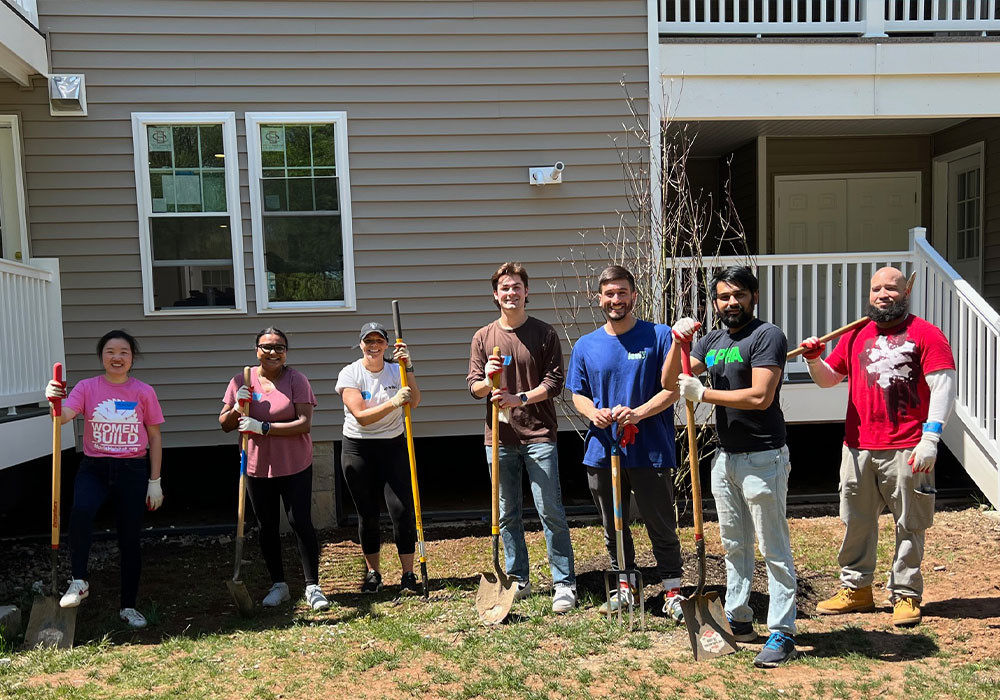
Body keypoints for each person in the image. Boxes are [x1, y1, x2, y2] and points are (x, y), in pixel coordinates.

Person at [800, 266, 956, 627]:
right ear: (869, 294)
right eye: (876, 289)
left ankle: (905, 594)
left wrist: (931, 438)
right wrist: (813, 359)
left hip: (908, 446)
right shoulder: (856, 335)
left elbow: (944, 386)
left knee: (910, 523)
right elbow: (828, 380)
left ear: (906, 292)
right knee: (856, 521)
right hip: (857, 447)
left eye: (892, 288)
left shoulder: (926, 334)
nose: (883, 294)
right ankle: (857, 590)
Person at [662, 266, 798, 668]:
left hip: (763, 457)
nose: (731, 303)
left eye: (738, 294)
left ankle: (783, 631)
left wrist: (703, 392)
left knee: (773, 546)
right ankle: (739, 619)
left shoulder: (766, 336)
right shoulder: (714, 340)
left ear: (753, 296)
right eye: (723, 296)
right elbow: (671, 381)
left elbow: (759, 396)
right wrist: (678, 343)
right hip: (726, 459)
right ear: (715, 301)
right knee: (735, 544)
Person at [565, 265, 684, 620]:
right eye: (609, 294)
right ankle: (626, 588)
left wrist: (639, 413)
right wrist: (594, 414)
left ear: (634, 296)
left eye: (622, 293)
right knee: (612, 525)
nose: (616, 300)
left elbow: (673, 389)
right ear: (599, 298)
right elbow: (577, 394)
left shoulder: (659, 336)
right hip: (603, 451)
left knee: (660, 522)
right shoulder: (587, 345)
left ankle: (673, 590)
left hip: (649, 449)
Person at [466, 262, 577, 613]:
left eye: (516, 287)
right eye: (504, 288)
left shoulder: (544, 334)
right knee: (507, 514)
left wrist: (520, 398)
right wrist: (488, 379)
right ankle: (518, 578)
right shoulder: (483, 338)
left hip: (538, 434)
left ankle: (564, 582)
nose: (510, 293)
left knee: (550, 511)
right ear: (495, 294)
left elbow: (555, 383)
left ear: (526, 292)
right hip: (498, 438)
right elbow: (474, 388)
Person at [44, 330, 164, 629]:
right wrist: (52, 401)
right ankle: (79, 581)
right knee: (81, 512)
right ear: (102, 356)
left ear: (132, 358)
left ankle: (128, 606)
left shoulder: (143, 391)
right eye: (110, 351)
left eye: (123, 352)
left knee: (129, 538)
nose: (117, 357)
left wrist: (155, 480)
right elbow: (61, 418)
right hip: (94, 468)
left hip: (133, 471)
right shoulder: (87, 387)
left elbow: (154, 436)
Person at [220, 327, 329, 611]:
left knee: (300, 522)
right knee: (266, 527)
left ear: (286, 352)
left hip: (294, 465)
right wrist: (237, 408)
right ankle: (278, 584)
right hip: (257, 467)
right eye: (267, 347)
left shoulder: (296, 380)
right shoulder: (241, 380)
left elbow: (304, 423)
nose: (273, 352)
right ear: (256, 350)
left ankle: (312, 586)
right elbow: (225, 424)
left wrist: (264, 427)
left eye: (279, 347)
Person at [336, 322, 422, 594]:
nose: (374, 346)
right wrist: (394, 402)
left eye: (379, 341)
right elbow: (361, 416)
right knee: (368, 514)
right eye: (368, 340)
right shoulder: (350, 373)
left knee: (401, 511)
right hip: (358, 449)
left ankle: (408, 574)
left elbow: (415, 400)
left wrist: (408, 367)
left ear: (386, 344)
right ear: (360, 344)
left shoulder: (396, 370)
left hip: (393, 447)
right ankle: (373, 573)